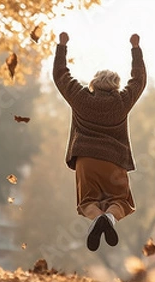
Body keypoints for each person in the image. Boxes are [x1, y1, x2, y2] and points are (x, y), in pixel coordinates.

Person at [52, 32, 147, 251]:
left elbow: (60, 75)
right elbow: (139, 80)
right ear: (116, 85)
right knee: (121, 201)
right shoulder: (122, 101)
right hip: (114, 161)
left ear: (94, 83)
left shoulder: (80, 97)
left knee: (87, 202)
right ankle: (109, 219)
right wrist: (135, 49)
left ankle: (97, 219)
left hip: (86, 161)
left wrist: (62, 46)